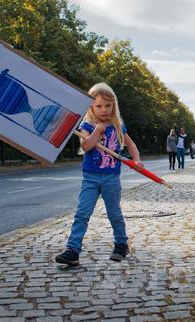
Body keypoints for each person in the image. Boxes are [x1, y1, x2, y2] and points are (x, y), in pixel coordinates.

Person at [55, 82, 144, 266]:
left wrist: (136, 160)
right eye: (99, 106)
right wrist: (97, 130)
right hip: (90, 178)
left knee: (114, 213)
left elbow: (131, 144)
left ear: (114, 106)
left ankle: (121, 244)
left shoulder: (118, 125)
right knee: (82, 213)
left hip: (111, 178)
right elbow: (86, 146)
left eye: (108, 106)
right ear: (91, 107)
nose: (104, 110)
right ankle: (73, 250)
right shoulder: (87, 126)